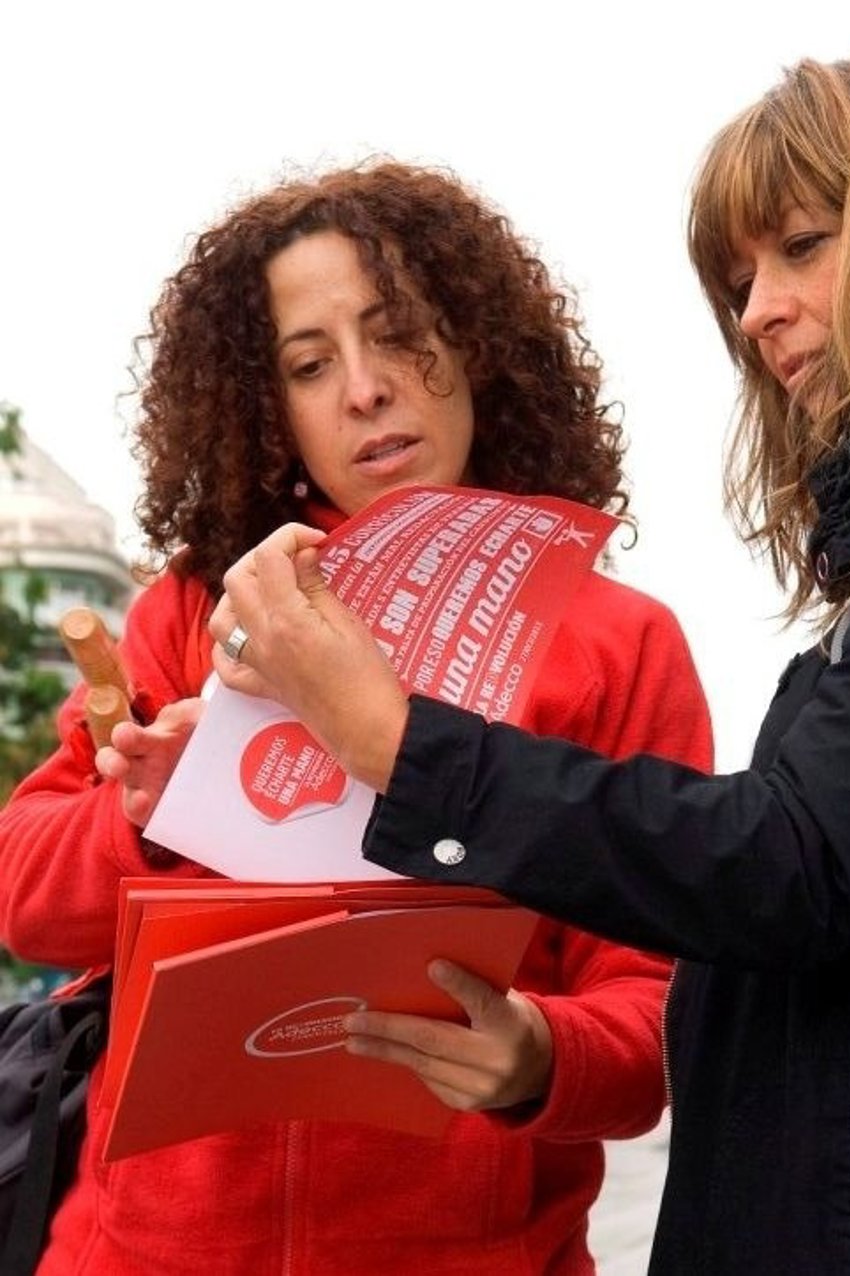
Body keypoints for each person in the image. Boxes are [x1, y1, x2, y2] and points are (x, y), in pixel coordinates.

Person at [212, 49, 850, 1275]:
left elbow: (793, 861)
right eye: (740, 281)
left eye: (802, 247)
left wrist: (397, 744)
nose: (757, 312)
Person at [0, 161, 713, 1274]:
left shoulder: (621, 644)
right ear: (269, 408)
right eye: (310, 364)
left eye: (399, 335)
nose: (366, 389)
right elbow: (25, 901)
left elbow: (667, 1007)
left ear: (479, 348)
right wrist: (143, 812)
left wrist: (543, 1056)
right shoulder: (191, 608)